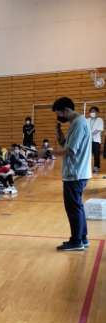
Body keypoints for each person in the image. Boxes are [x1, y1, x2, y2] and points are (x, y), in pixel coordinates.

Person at [53, 96, 92, 251]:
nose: (59, 117)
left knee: (73, 208)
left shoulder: (78, 123)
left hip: (75, 173)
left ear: (66, 110)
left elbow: (70, 150)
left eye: (59, 113)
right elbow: (65, 144)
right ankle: (82, 238)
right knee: (77, 207)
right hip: (78, 173)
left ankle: (76, 241)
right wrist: (59, 132)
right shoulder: (76, 123)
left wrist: (48, 153)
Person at [87, 106, 104, 173]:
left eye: (93, 111)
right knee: (88, 155)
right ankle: (87, 168)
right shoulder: (87, 120)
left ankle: (96, 167)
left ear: (97, 112)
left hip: (96, 140)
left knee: (96, 154)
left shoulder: (100, 120)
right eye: (91, 111)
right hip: (88, 140)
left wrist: (90, 134)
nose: (92, 113)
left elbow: (99, 129)